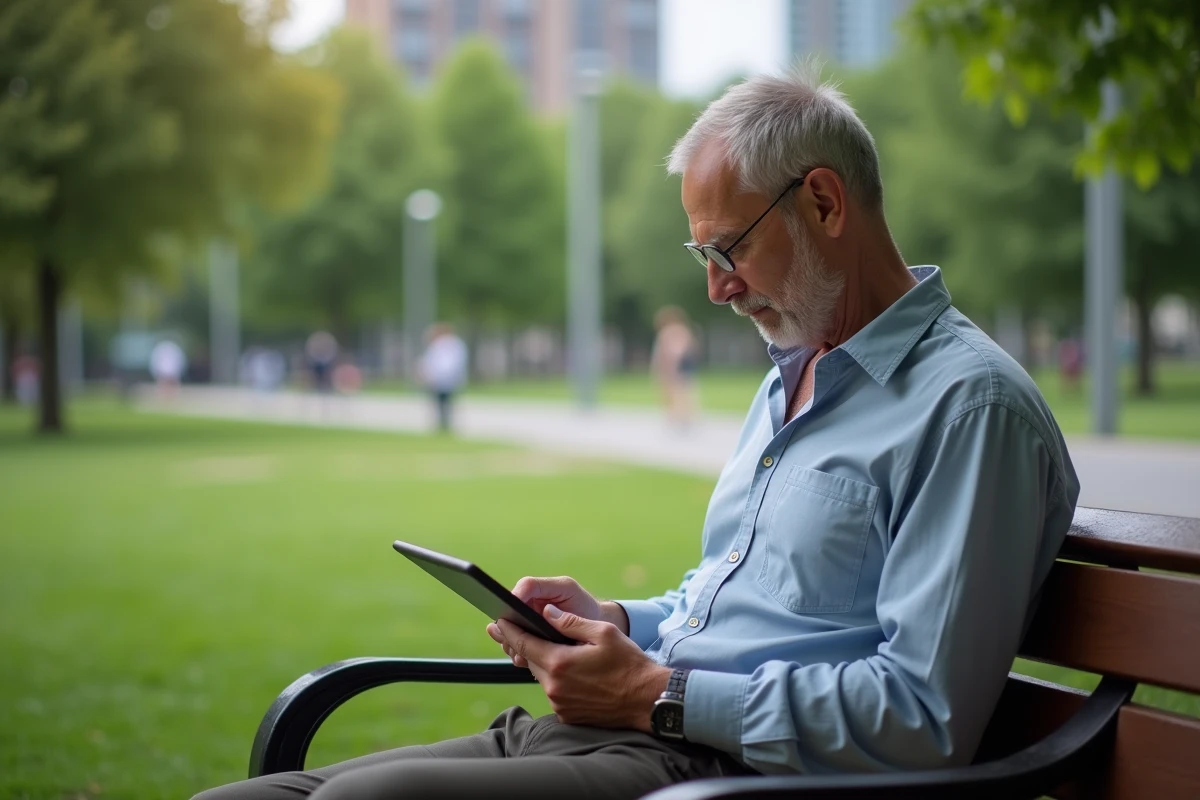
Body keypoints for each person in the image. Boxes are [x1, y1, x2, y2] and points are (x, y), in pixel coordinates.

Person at [194, 66, 1079, 800]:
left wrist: (659, 692)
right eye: (704, 258)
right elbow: (735, 600)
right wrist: (621, 621)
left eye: (728, 248)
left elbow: (922, 721)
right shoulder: (795, 372)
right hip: (616, 732)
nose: (718, 288)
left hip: (727, 772)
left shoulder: (970, 411)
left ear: (823, 202)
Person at [650, 306, 700, 430]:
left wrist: (670, 368)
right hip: (685, 364)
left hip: (674, 365)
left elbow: (672, 352)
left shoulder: (668, 332)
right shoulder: (684, 330)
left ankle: (677, 417)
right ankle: (684, 416)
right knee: (685, 390)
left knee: (674, 392)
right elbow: (692, 348)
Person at [417, 323, 468, 433]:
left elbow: (439, 363)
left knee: (443, 402)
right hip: (444, 378)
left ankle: (444, 423)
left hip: (443, 378)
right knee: (443, 403)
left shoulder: (446, 345)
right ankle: (443, 423)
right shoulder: (452, 344)